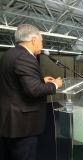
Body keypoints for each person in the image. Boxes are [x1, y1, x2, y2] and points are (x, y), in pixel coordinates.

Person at [0, 24, 63, 160]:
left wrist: (40, 79)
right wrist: (55, 85)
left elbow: (14, 83)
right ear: (34, 39)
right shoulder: (25, 57)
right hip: (22, 125)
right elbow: (34, 90)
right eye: (41, 41)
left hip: (9, 120)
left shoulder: (9, 54)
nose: (42, 44)